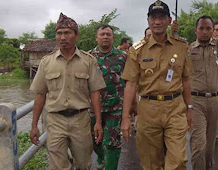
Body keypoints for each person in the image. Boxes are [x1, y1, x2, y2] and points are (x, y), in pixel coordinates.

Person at [121, 1, 194, 169]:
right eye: (154, 18)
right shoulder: (137, 50)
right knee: (151, 163)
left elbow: (186, 80)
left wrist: (189, 108)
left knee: (178, 161)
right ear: (148, 20)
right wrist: (126, 118)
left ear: (169, 20)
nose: (158, 22)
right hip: (148, 109)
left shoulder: (182, 46)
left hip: (175, 108)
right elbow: (130, 84)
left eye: (162, 17)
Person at [29, 13, 106, 170]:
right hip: (55, 121)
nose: (62, 37)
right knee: (57, 166)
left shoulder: (88, 61)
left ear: (76, 36)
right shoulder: (46, 62)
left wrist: (98, 122)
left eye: (67, 33)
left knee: (83, 164)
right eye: (59, 33)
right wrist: (34, 125)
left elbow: (95, 93)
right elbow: (40, 95)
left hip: (81, 119)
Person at [89, 25, 137, 170]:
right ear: (96, 37)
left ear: (113, 37)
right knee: (93, 140)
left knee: (113, 143)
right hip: (93, 107)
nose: (105, 37)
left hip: (116, 107)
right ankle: (101, 156)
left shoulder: (123, 57)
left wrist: (133, 105)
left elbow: (130, 82)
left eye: (108, 34)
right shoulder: (88, 57)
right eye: (102, 34)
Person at [189, 15, 218, 170]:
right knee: (199, 145)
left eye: (209, 28)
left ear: (213, 30)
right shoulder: (189, 50)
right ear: (196, 30)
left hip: (214, 100)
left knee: (209, 147)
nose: (205, 32)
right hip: (196, 101)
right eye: (201, 28)